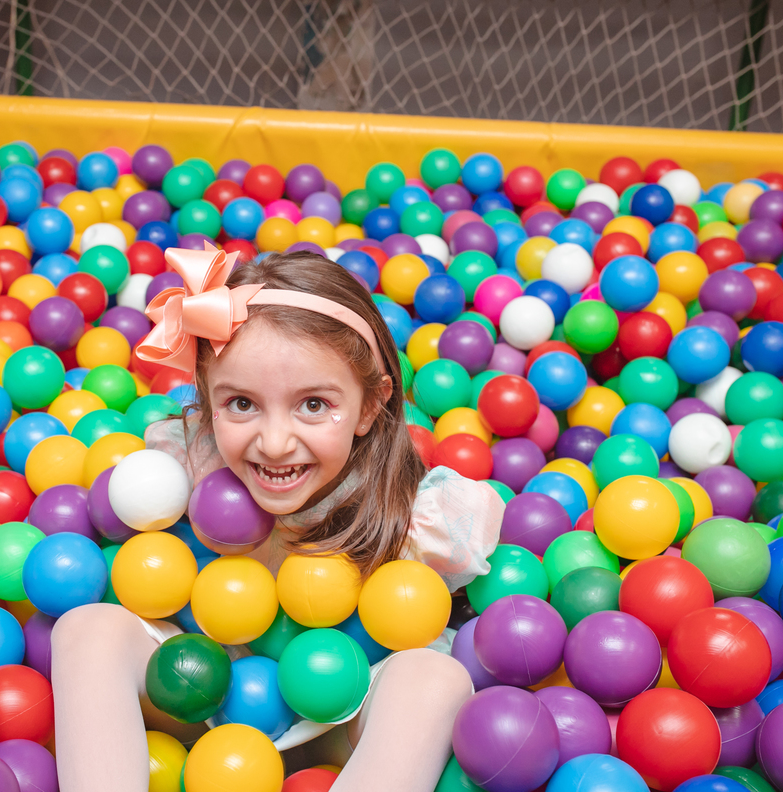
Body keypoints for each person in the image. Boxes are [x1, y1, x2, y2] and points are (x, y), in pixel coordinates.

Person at [52, 245, 504, 791]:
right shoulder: (189, 464)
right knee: (86, 627)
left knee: (435, 677)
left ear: (370, 405)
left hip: (339, 717)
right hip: (200, 691)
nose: (273, 443)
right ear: (207, 398)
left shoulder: (412, 510)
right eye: (242, 403)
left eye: (313, 404)